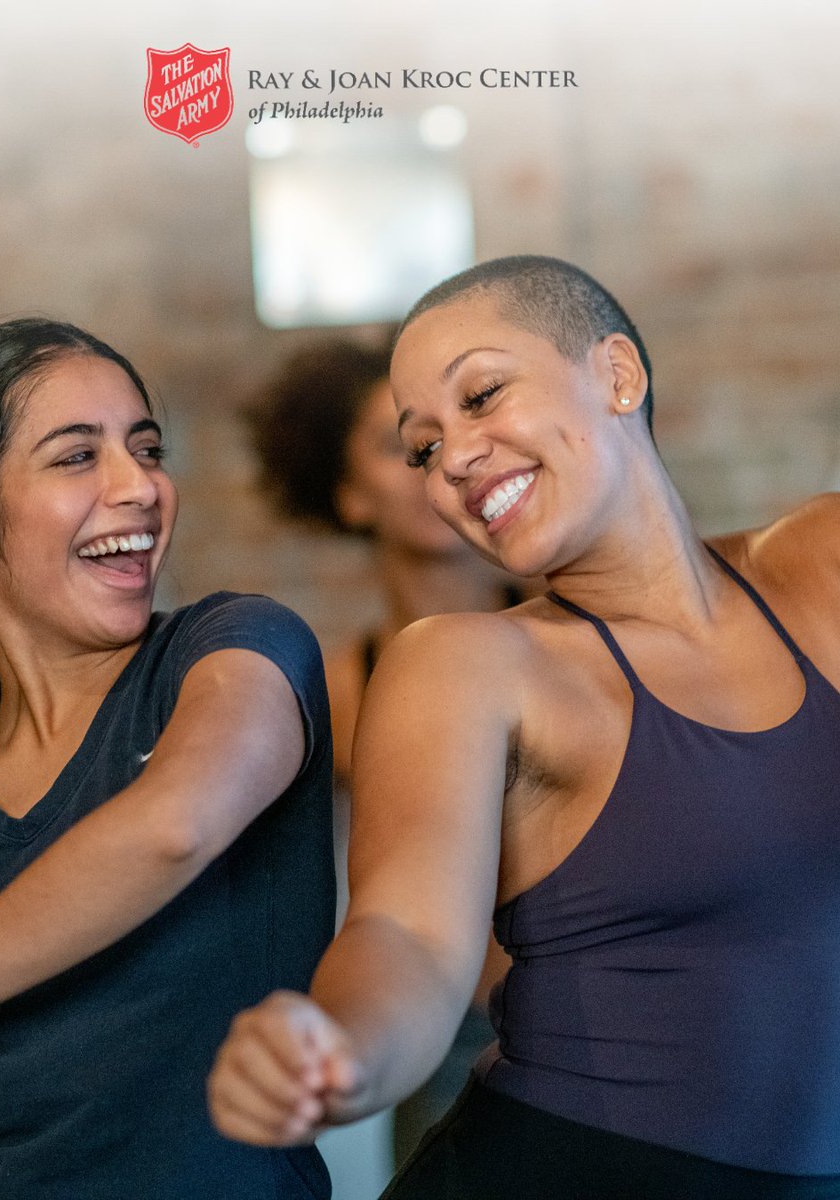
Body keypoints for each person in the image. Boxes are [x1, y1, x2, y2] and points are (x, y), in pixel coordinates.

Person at [207, 256, 840, 1199]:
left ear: (618, 374)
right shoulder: (460, 665)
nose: (454, 458)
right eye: (422, 448)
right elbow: (406, 933)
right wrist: (338, 1046)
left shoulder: (819, 564)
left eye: (483, 393)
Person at [0, 319, 335, 1199]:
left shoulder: (233, 650)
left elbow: (174, 824)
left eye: (147, 447)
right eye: (77, 457)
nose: (142, 487)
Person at [249, 340, 514, 1166]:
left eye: (441, 447)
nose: (431, 470)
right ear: (349, 497)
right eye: (401, 450)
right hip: (442, 1047)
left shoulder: (575, 640)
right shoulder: (338, 688)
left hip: (604, 1034)